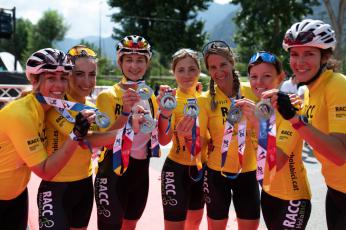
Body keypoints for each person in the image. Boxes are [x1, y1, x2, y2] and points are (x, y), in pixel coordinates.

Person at [263, 19, 346, 229]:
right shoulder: (309, 91)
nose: (299, 62)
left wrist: (294, 119)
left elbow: (339, 154)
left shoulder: (337, 85)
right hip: (335, 188)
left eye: (309, 54)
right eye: (294, 54)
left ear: (325, 56)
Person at [0, 48, 94, 229]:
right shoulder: (21, 115)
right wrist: (75, 134)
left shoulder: (46, 107)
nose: (59, 85)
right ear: (35, 80)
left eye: (63, 78)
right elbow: (45, 171)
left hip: (16, 194)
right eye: (51, 78)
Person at [94, 35, 172, 230]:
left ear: (147, 63)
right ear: (120, 62)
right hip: (113, 171)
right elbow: (103, 141)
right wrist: (126, 113)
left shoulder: (150, 95)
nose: (134, 66)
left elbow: (162, 140)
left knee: (130, 225)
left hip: (141, 171)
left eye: (140, 60)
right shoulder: (108, 96)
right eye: (129, 59)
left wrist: (166, 114)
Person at [241, 51, 311, 229]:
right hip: (268, 193)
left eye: (267, 76)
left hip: (292, 197)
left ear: (281, 77)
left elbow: (277, 161)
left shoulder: (292, 108)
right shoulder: (258, 107)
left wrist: (258, 124)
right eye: (254, 76)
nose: (259, 82)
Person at [37, 45, 100, 230]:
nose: (87, 81)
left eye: (92, 74)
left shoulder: (91, 107)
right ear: (67, 75)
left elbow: (104, 138)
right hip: (55, 188)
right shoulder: (54, 104)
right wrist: (127, 129)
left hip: (85, 184)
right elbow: (87, 139)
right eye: (79, 74)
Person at [199, 41, 260, 230]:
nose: (219, 71)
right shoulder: (205, 100)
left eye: (223, 64)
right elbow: (201, 140)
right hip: (216, 173)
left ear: (232, 62)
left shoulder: (252, 90)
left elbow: (269, 128)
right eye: (213, 67)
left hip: (248, 172)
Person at [159, 48, 207, 230]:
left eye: (192, 69)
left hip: (201, 170)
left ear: (199, 70)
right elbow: (163, 141)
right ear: (173, 73)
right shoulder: (170, 100)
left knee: (194, 224)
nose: (187, 75)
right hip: (175, 170)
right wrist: (165, 115)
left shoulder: (205, 99)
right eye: (181, 70)